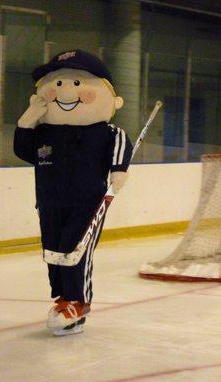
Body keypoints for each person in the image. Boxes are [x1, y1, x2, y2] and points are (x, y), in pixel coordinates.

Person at [14, 49, 133, 336]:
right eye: (56, 83)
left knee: (74, 251)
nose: (65, 90)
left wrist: (118, 170)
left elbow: (120, 143)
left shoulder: (105, 132)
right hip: (49, 204)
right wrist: (25, 123)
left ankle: (79, 302)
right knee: (53, 252)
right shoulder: (44, 134)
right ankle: (63, 297)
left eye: (77, 83)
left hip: (87, 205)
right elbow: (23, 151)